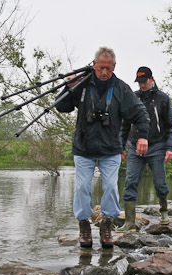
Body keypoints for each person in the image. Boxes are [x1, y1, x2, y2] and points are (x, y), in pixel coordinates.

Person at [55, 47, 150, 248]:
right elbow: (62, 106)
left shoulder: (121, 89)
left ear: (114, 67)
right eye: (100, 68)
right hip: (83, 148)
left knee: (110, 188)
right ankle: (84, 225)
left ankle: (107, 224)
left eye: (108, 68)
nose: (104, 72)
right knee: (81, 188)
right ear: (93, 65)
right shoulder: (82, 85)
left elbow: (140, 114)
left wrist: (143, 137)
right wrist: (68, 86)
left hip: (110, 149)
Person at [117, 66, 172, 233]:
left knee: (160, 183)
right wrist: (121, 146)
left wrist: (170, 147)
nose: (141, 85)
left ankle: (164, 213)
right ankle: (130, 222)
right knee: (130, 182)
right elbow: (125, 125)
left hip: (157, 146)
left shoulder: (163, 99)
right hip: (134, 147)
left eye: (144, 82)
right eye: (139, 82)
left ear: (152, 79)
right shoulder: (133, 98)